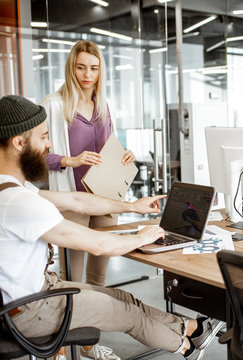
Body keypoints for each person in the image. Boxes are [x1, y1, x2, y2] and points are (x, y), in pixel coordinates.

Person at [0, 95, 224, 360]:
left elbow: (76, 200)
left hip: (35, 295)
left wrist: (133, 207)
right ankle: (188, 346)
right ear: (19, 143)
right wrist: (142, 236)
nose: (49, 145)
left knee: (122, 297)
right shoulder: (18, 201)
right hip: (31, 310)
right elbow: (99, 245)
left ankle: (193, 328)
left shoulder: (12, 189)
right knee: (129, 315)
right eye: (44, 137)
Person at [40, 41, 131, 289]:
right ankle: (71, 324)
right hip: (72, 202)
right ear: (71, 68)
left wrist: (124, 154)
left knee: (99, 276)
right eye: (81, 68)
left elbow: (111, 147)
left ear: (101, 71)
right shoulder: (54, 105)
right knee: (71, 276)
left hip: (105, 198)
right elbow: (36, 156)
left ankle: (94, 324)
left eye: (94, 68)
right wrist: (71, 160)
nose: (87, 75)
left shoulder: (106, 104)